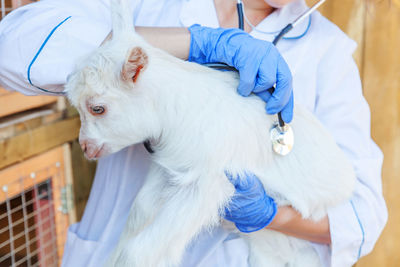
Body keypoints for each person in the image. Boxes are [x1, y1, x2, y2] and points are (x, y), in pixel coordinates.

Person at [0, 0, 387, 266]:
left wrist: (269, 215)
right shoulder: (160, 6)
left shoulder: (328, 51)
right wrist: (193, 43)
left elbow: (364, 214)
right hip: (110, 243)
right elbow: (13, 47)